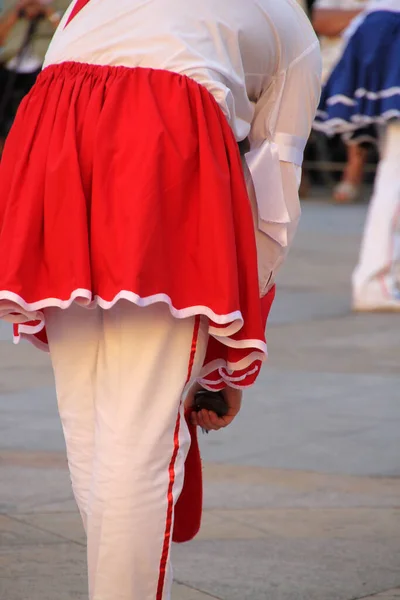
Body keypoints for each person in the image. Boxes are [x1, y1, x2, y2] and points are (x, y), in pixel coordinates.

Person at [0, 0, 321, 598]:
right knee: (140, 439)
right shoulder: (286, 23)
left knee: (91, 427)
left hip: (51, 142)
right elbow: (274, 192)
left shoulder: (83, 5)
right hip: (162, 148)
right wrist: (231, 345)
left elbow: (56, 84)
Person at [315, 0, 400, 311]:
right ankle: (374, 282)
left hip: (381, 29)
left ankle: (380, 278)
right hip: (390, 30)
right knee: (397, 172)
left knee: (395, 169)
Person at [312, 0, 369, 203]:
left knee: (355, 83)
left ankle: (353, 169)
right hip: (326, 67)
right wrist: (370, 15)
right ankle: (293, 173)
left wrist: (350, 18)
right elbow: (322, 22)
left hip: (368, 71)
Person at [0, 0, 64, 155]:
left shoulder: (62, 4)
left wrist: (48, 11)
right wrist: (18, 10)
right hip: (11, 63)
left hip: (42, 65)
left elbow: (65, 34)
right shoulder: (10, 4)